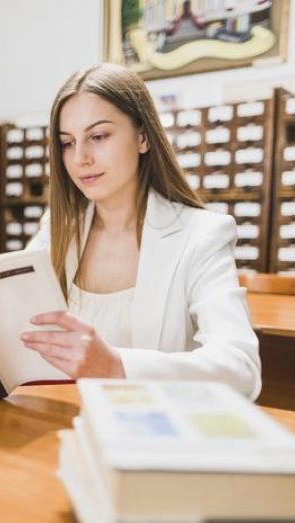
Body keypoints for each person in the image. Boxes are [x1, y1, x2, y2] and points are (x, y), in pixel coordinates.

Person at [21, 63, 261, 400]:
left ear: (143, 137)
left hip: (158, 431)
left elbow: (242, 369)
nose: (80, 158)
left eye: (98, 136)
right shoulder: (57, 230)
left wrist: (118, 366)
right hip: (67, 421)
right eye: (67, 143)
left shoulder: (202, 235)